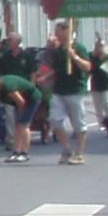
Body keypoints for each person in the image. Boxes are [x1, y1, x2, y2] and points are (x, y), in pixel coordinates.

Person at [43, 20, 90, 164]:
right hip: (59, 90)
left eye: (59, 31)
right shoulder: (57, 51)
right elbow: (56, 69)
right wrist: (46, 77)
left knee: (78, 123)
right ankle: (66, 149)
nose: (56, 33)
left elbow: (87, 67)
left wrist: (74, 56)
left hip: (75, 90)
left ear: (66, 31)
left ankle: (79, 153)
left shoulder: (78, 47)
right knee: (54, 119)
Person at [0, 72, 42, 162]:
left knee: (23, 125)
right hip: (20, 102)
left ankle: (24, 153)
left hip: (31, 99)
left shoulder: (8, 87)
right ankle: (16, 152)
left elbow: (21, 102)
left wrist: (21, 116)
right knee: (17, 126)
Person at [89, 36, 108, 138]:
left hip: (105, 85)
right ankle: (101, 124)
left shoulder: (107, 57)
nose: (100, 48)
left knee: (107, 104)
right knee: (98, 106)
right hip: (96, 85)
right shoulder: (92, 57)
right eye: (98, 46)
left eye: (102, 46)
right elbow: (91, 69)